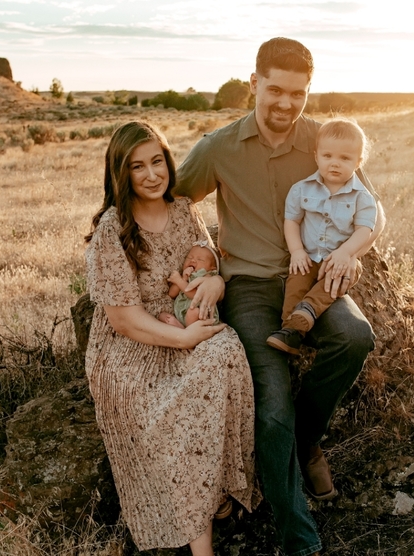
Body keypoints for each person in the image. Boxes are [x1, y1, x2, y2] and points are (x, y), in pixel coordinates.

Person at [175, 38, 385, 556]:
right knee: (271, 408)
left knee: (355, 337)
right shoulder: (218, 147)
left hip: (312, 279)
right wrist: (207, 264)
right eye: (276, 90)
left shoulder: (324, 140)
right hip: (248, 287)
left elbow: (372, 210)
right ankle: (300, 540)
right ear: (254, 84)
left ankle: (306, 439)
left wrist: (351, 252)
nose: (286, 104)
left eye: (298, 93)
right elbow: (172, 205)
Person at [84, 121, 260, 556]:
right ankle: (202, 546)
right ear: (120, 173)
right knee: (176, 409)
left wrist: (215, 281)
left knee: (226, 350)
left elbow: (208, 260)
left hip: (185, 322)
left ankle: (220, 489)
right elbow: (124, 320)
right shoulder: (113, 228)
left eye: (157, 161)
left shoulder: (183, 209)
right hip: (134, 346)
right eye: (137, 166)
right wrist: (182, 341)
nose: (151, 175)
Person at [267, 117, 377, 355]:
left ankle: (308, 309)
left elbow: (364, 230)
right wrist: (297, 251)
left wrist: (346, 253)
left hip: (340, 259)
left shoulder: (362, 197)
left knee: (335, 282)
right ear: (316, 156)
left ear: (358, 162)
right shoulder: (301, 189)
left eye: (345, 158)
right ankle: (290, 331)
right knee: (295, 284)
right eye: (328, 156)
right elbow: (292, 221)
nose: (335, 163)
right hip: (307, 256)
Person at [158, 241, 221, 329]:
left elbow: (195, 295)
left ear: (212, 268)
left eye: (200, 259)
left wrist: (179, 281)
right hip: (181, 312)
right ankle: (181, 328)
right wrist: (183, 279)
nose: (193, 260)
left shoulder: (208, 277)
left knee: (193, 312)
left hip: (200, 313)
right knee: (162, 316)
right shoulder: (186, 275)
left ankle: (188, 330)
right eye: (189, 257)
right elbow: (171, 294)